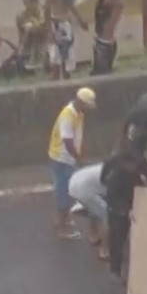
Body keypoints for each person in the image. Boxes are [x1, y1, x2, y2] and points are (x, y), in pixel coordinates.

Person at [100, 147, 147, 284]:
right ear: (123, 163)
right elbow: (112, 197)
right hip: (118, 204)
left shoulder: (137, 161)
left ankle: (142, 268)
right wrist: (125, 210)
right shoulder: (114, 174)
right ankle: (115, 270)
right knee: (117, 238)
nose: (134, 168)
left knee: (141, 235)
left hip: (135, 195)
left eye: (136, 166)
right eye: (131, 166)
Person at [48, 87, 97, 239]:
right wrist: (78, 158)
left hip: (67, 158)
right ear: (81, 102)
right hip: (62, 159)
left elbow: (77, 137)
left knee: (67, 190)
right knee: (65, 193)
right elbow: (68, 141)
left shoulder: (78, 114)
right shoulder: (67, 115)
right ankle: (63, 230)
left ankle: (62, 219)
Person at [45, 0, 88, 80]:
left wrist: (80, 19)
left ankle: (66, 85)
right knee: (56, 59)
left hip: (66, 23)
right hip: (55, 22)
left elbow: (69, 3)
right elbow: (46, 6)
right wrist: (48, 29)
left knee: (68, 58)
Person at [80, 0, 127, 75]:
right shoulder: (103, 0)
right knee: (99, 72)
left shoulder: (117, 3)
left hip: (105, 44)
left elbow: (108, 1)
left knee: (102, 73)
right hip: (102, 42)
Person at [68, 163, 110, 260]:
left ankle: (93, 236)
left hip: (75, 181)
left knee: (94, 208)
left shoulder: (110, 165)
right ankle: (104, 251)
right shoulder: (119, 175)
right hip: (84, 190)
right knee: (109, 217)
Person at [16, 0, 48, 68]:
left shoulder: (43, 11)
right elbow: (31, 30)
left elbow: (45, 27)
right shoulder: (21, 16)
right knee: (30, 30)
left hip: (43, 45)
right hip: (27, 48)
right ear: (25, 1)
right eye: (31, 0)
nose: (33, 2)